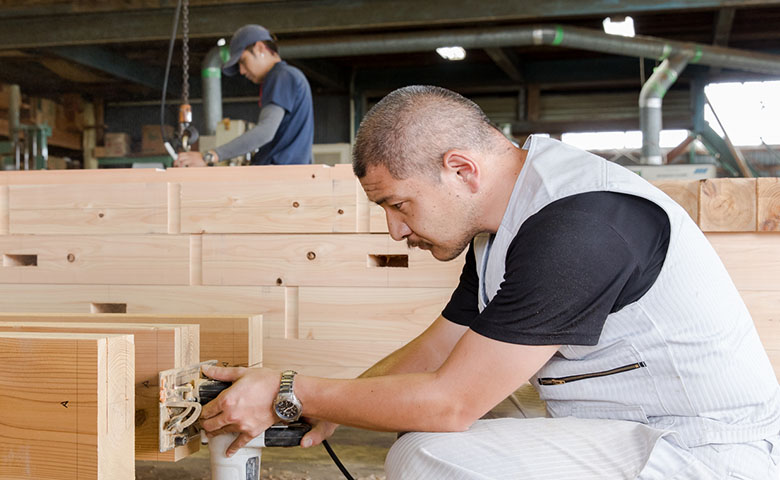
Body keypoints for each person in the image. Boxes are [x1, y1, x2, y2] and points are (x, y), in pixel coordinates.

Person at [199, 86, 780, 479]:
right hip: (631, 429)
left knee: (428, 454)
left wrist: (294, 389)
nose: (395, 230)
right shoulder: (503, 222)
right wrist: (332, 409)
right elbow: (441, 346)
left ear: (461, 169)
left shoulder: (577, 226)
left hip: (704, 454)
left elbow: (450, 402)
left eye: (398, 204)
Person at [174, 24, 313, 167]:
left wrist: (210, 156)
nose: (241, 71)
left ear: (260, 48)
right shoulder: (289, 77)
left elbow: (265, 131)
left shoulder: (281, 76)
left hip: (279, 176)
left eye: (242, 61)